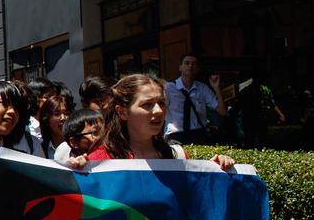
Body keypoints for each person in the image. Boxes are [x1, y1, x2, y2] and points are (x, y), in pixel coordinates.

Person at [87, 74, 234, 169]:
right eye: (147, 104)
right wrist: (79, 171)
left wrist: (215, 169)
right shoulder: (98, 163)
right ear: (122, 112)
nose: (158, 111)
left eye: (162, 103)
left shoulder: (178, 157)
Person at [164, 53, 225, 143]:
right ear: (180, 67)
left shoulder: (203, 88)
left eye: (194, 64)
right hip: (175, 135)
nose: (190, 66)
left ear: (197, 69)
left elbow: (222, 111)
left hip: (198, 134)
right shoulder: (168, 88)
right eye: (187, 63)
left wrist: (216, 88)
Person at [36, 85, 72, 159]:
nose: (63, 118)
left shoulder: (80, 147)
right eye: (57, 114)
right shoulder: (39, 149)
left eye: (67, 113)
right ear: (47, 119)